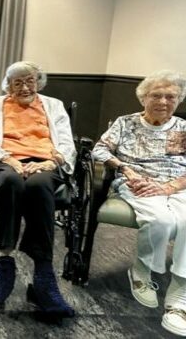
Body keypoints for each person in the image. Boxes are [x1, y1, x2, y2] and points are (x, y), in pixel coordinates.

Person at [0, 61, 76, 318]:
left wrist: (48, 163)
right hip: (7, 159)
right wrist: (7, 159)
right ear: (8, 85)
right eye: (17, 82)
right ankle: (5, 263)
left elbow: (65, 139)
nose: (24, 87)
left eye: (29, 80)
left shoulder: (53, 105)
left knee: (39, 184)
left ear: (38, 82)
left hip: (45, 161)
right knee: (10, 181)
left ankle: (43, 273)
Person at [92, 70, 186, 336]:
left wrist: (169, 186)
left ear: (179, 100)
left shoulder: (182, 128)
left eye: (171, 96)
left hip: (176, 186)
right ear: (143, 97)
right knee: (161, 219)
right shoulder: (126, 123)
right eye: (157, 95)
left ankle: (180, 297)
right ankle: (142, 271)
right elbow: (100, 149)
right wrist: (127, 170)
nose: (164, 102)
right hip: (137, 183)